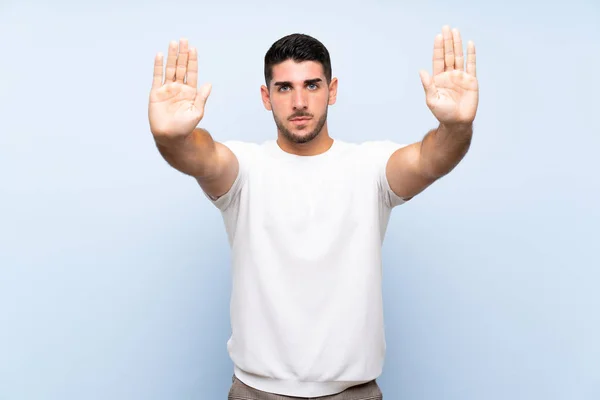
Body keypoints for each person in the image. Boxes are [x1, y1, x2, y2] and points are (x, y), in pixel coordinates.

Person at [148, 26, 478, 399]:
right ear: (266, 96)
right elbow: (199, 156)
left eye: (312, 85)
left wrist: (455, 125)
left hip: (354, 392)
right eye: (284, 87)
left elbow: (430, 159)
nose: (299, 101)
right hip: (256, 391)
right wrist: (171, 137)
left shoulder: (370, 166)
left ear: (331, 90)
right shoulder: (244, 168)